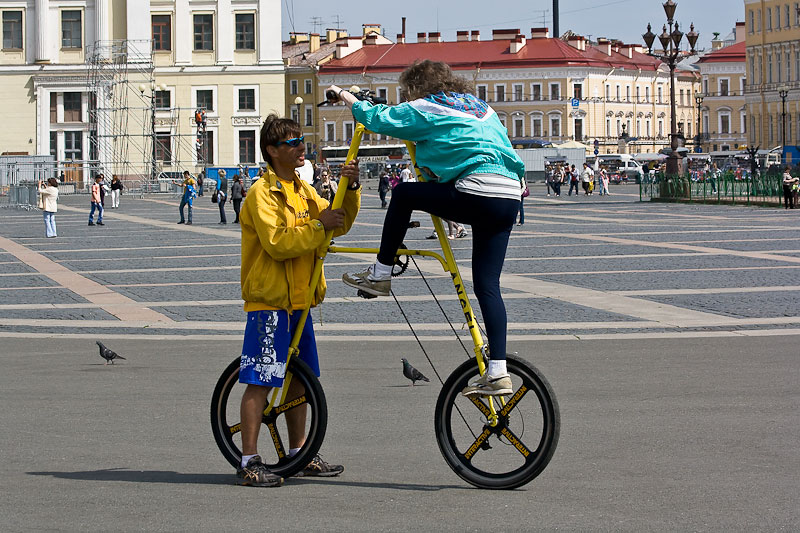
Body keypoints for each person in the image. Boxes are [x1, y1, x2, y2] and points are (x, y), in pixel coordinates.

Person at [331, 59, 524, 396]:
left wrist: (346, 96)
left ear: (416, 87)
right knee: (488, 286)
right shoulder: (483, 108)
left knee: (404, 194)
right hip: (509, 194)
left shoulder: (426, 106)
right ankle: (498, 372)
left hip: (476, 188)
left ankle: (379, 274)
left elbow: (376, 118)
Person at [235, 114, 361, 487]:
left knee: (300, 384)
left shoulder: (305, 192)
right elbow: (278, 243)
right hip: (270, 302)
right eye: (291, 142)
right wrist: (320, 225)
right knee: (261, 380)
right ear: (272, 151)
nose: (300, 146)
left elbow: (337, 220)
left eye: (301, 139)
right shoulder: (262, 193)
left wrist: (350, 190)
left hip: (300, 302)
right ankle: (249, 459)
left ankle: (299, 453)